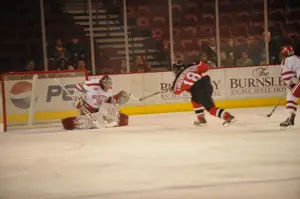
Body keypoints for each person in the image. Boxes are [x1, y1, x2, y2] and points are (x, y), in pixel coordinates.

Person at [171, 61, 235, 126]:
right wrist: (197, 63)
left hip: (199, 89)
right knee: (194, 100)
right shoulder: (191, 67)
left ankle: (228, 117)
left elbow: (176, 91)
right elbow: (206, 67)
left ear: (176, 69)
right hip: (206, 84)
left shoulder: (178, 79)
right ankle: (201, 119)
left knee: (210, 108)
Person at [61, 75, 130, 130]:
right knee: (82, 122)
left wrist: (115, 102)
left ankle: (103, 118)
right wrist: (77, 99)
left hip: (100, 109)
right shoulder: (91, 84)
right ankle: (73, 122)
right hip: (88, 108)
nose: (107, 89)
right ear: (101, 83)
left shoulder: (109, 89)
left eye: (108, 87)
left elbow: (108, 100)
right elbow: (78, 86)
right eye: (105, 87)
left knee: (120, 120)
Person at [280, 46, 300, 127]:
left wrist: (289, 83)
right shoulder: (298, 58)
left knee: (290, 97)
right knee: (292, 96)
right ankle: (291, 118)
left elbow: (287, 75)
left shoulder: (286, 60)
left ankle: (290, 118)